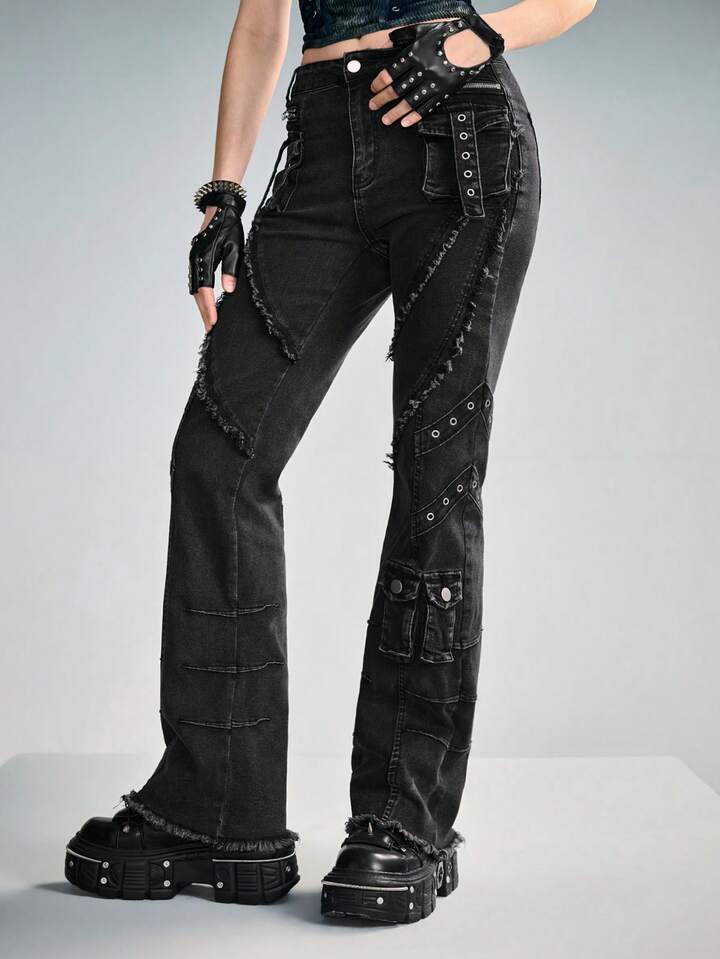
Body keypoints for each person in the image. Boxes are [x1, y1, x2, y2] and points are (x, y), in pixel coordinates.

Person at [64, 0, 596, 924]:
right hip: (318, 147)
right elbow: (262, 22)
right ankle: (217, 808)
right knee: (218, 456)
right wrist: (224, 193)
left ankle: (403, 820)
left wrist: (475, 40)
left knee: (435, 483)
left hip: (457, 133)